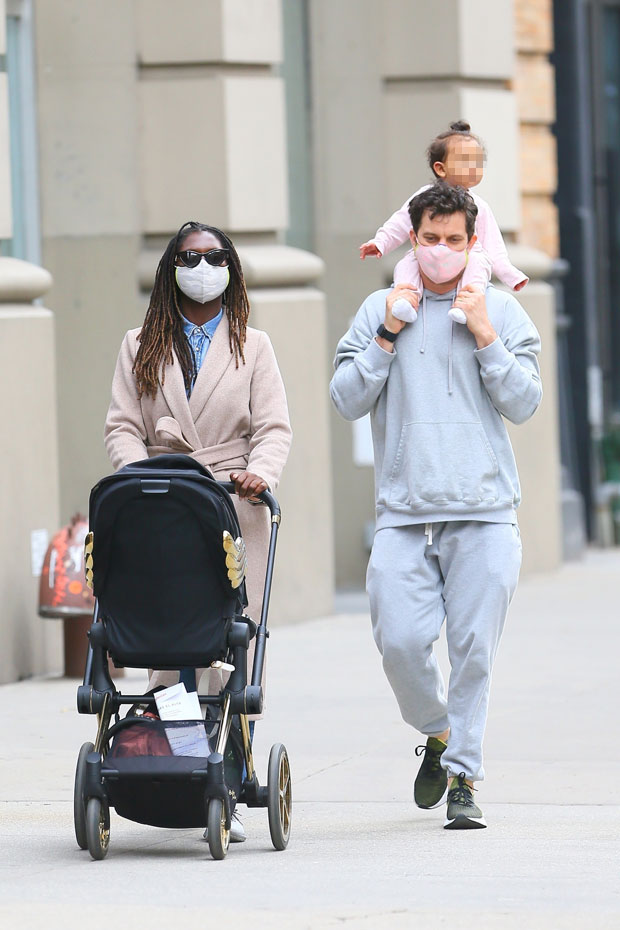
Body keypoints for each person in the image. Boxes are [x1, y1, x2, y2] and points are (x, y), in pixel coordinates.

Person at [331, 183, 542, 830]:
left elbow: (525, 402)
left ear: (472, 243)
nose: (442, 251)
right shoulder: (378, 307)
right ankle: (439, 731)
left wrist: (484, 336)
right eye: (431, 238)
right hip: (404, 511)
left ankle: (464, 779)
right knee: (399, 642)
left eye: (455, 240)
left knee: (474, 651)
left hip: (484, 511)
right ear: (412, 238)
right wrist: (390, 332)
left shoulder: (502, 312)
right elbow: (345, 397)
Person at [104, 220, 292, 840]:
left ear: (231, 267)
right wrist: (136, 480)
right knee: (165, 642)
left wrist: (259, 475)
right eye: (191, 257)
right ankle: (174, 767)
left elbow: (273, 428)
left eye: (215, 256)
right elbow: (123, 425)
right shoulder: (140, 343)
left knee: (227, 644)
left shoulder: (253, 344)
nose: (203, 266)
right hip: (161, 508)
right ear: (171, 268)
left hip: (232, 509)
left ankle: (226, 779)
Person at [359, 120, 528, 324]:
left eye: (477, 162)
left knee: (479, 261)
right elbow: (399, 223)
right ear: (440, 168)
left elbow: (494, 247)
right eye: (465, 162)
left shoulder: (480, 206)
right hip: (424, 256)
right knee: (407, 262)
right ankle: (405, 300)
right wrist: (380, 242)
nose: (473, 168)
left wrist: (511, 276)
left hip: (466, 256)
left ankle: (467, 302)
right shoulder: (424, 197)